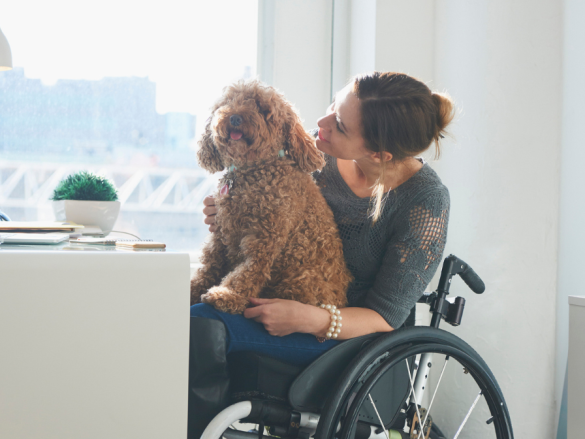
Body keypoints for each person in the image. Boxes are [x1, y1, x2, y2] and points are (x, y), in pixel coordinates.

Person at [187, 72, 454, 438]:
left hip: (351, 344)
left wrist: (310, 318)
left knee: (202, 322)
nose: (322, 123)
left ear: (378, 153)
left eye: (340, 125)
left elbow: (385, 315)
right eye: (333, 106)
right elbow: (272, 214)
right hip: (282, 299)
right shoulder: (320, 157)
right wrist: (228, 213)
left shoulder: (424, 202)